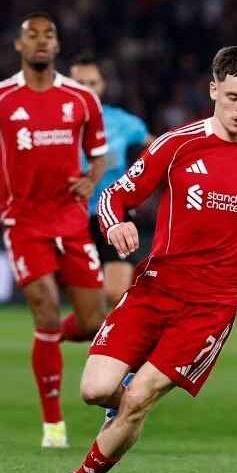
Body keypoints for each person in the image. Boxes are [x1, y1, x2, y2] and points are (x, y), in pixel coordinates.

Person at [44, 45, 237, 473]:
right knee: (96, 390)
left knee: (140, 397)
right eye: (233, 97)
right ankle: (123, 407)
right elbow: (115, 195)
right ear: (214, 90)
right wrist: (114, 224)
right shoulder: (176, 144)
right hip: (155, 288)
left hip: (213, 304)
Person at [0, 12, 108, 449]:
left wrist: (91, 179)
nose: (41, 41)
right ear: (19, 45)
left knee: (94, 321)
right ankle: (53, 425)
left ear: (58, 45)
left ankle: (49, 340)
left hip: (71, 221)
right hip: (24, 223)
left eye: (48, 35)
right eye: (32, 35)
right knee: (46, 308)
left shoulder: (81, 100)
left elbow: (99, 155)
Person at [59, 54, 153, 340]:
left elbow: (157, 149)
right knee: (90, 310)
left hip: (113, 214)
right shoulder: (55, 122)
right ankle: (65, 331)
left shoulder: (123, 122)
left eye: (92, 83)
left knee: (116, 292)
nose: (87, 89)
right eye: (80, 83)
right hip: (71, 218)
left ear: (103, 85)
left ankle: (104, 344)